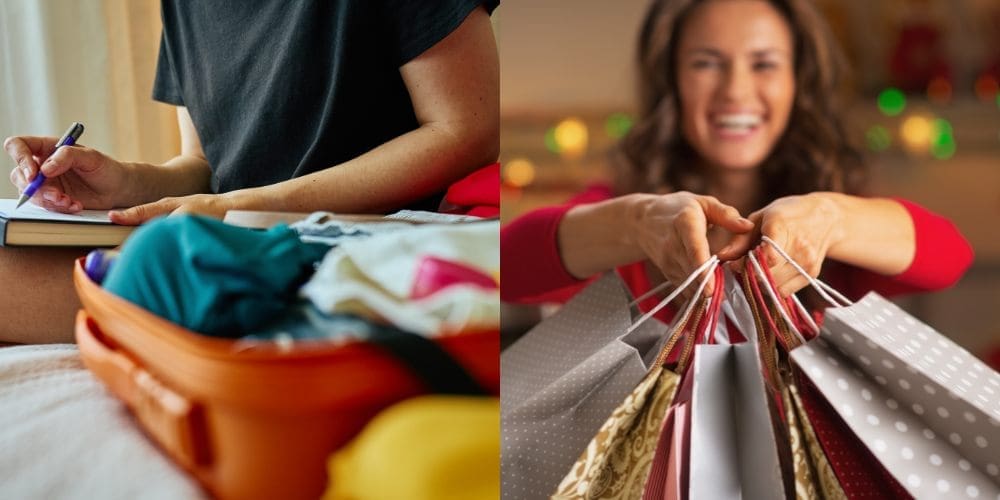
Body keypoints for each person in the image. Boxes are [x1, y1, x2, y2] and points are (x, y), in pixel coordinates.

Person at [2, 0, 500, 343]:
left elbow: (468, 130)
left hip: (357, 240)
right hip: (236, 237)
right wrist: (123, 182)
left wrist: (241, 206)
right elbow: (204, 167)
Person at [501, 0, 972, 317]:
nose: (736, 92)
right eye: (706, 63)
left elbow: (950, 257)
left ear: (797, 82)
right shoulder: (621, 203)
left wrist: (833, 219)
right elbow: (507, 267)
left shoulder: (831, 211)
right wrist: (636, 222)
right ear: (673, 82)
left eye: (764, 63)